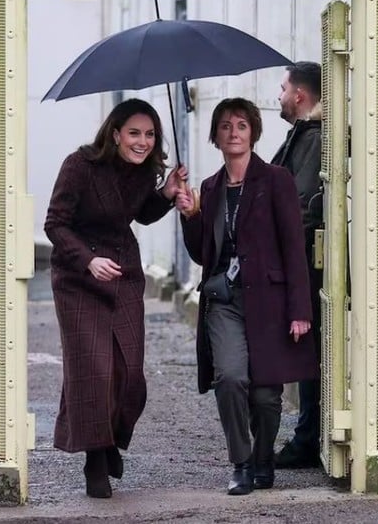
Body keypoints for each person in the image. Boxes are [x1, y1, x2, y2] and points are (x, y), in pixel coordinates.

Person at [176, 97, 318, 495]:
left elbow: (293, 248)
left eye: (241, 125)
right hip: (225, 300)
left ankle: (263, 457)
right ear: (215, 136)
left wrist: (300, 309)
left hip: (269, 301)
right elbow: (203, 254)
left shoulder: (276, 180)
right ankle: (240, 462)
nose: (233, 132)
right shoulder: (211, 187)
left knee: (266, 395)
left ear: (253, 132)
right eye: (225, 126)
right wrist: (191, 216)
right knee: (230, 378)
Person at [44, 98, 184, 498]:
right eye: (134, 133)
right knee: (95, 370)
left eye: (150, 134)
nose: (143, 141)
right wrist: (88, 261)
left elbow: (140, 214)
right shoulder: (79, 165)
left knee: (129, 373)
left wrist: (167, 193)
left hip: (123, 275)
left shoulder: (145, 171)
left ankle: (110, 440)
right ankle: (95, 459)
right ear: (116, 133)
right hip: (78, 279)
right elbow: (55, 224)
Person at [271, 61, 325, 469]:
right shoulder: (305, 135)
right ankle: (308, 435)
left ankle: (308, 439)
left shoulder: (314, 138)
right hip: (302, 260)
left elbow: (302, 205)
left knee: (310, 350)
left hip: (307, 262)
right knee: (308, 349)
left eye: (283, 88)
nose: (279, 96)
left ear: (299, 95)